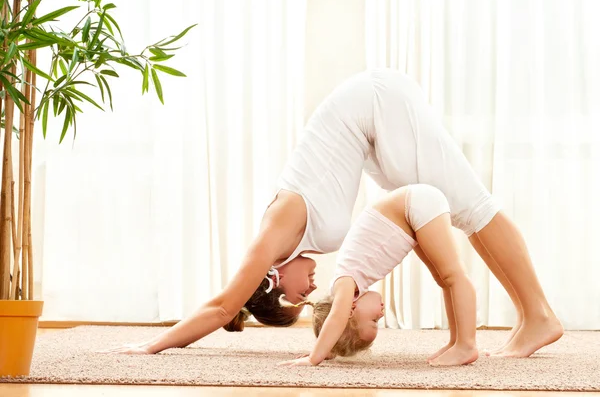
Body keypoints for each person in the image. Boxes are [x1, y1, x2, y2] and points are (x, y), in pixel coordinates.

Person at [101, 68, 562, 357]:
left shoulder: (274, 233)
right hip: (371, 128)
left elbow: (223, 306)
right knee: (455, 212)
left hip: (375, 106)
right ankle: (528, 317)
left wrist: (154, 344)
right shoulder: (297, 241)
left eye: (299, 297)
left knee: (473, 205)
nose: (312, 290)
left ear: (275, 281)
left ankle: (539, 315)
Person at [279, 184, 479, 367]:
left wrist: (315, 358)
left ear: (351, 310)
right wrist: (329, 349)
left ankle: (467, 345)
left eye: (374, 320)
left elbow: (337, 318)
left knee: (453, 275)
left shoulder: (345, 282)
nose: (381, 314)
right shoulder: (350, 283)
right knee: (444, 280)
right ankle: (456, 341)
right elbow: (338, 320)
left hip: (412, 205)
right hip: (411, 211)